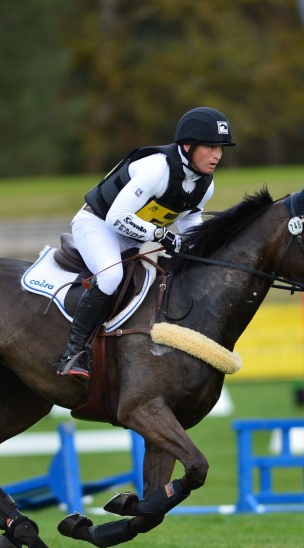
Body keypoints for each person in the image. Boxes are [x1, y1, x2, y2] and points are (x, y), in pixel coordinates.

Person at [55, 106, 236, 382]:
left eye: (220, 148)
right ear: (187, 146)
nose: (217, 156)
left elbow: (189, 221)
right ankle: (73, 353)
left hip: (137, 234)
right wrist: (163, 235)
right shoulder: (157, 169)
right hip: (98, 224)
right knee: (111, 275)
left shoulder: (204, 184)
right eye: (210, 147)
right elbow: (117, 218)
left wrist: (204, 249)